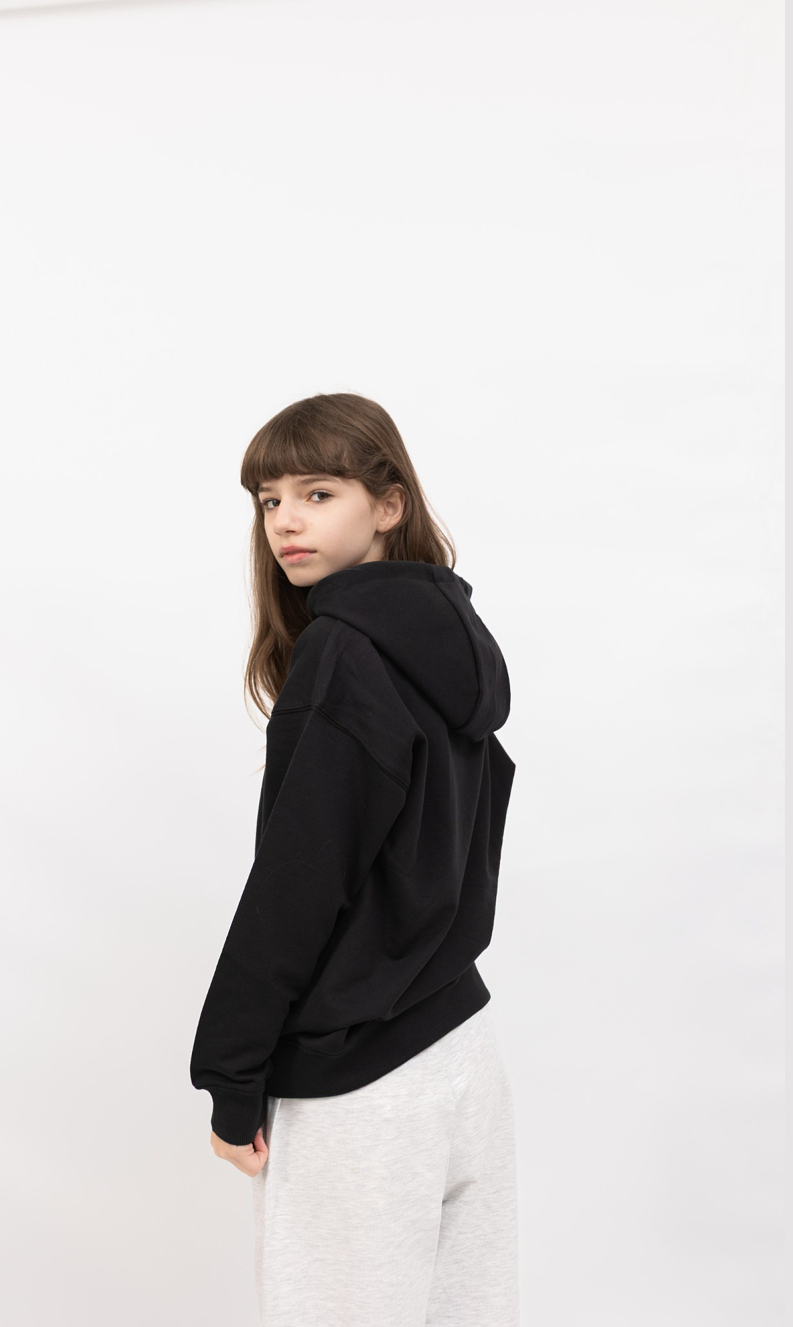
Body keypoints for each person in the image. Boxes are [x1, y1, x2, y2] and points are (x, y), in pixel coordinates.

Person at [189, 392, 519, 1326]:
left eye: (318, 492)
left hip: (361, 1085)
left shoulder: (342, 657)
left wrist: (230, 1073)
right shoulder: (456, 646)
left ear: (388, 504)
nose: (286, 520)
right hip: (462, 1053)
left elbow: (298, 887)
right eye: (269, 499)